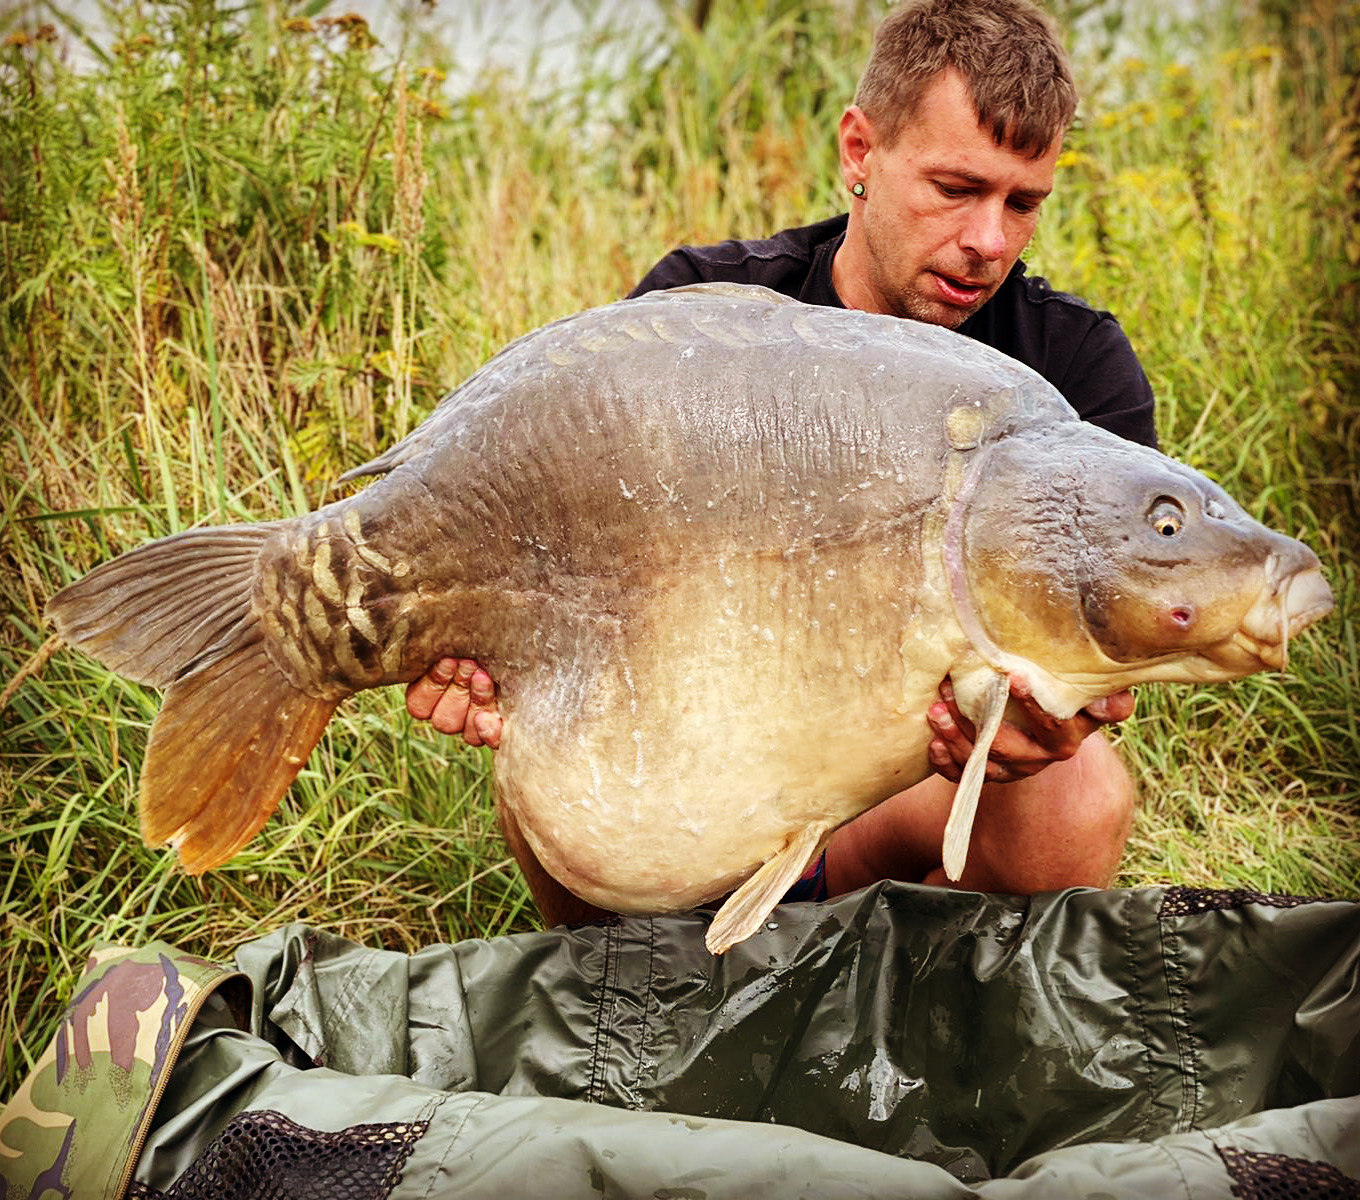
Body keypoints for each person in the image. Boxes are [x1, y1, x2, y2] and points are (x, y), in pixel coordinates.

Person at [406, 0, 1148, 924]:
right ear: (859, 152)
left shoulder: (1075, 373)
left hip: (910, 801)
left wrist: (1055, 722)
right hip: (688, 785)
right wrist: (490, 670)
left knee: (1080, 792)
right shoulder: (695, 320)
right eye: (956, 188)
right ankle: (632, 1015)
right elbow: (567, 574)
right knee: (547, 743)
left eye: (1022, 203)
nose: (988, 241)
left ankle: (940, 1035)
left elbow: (1104, 640)